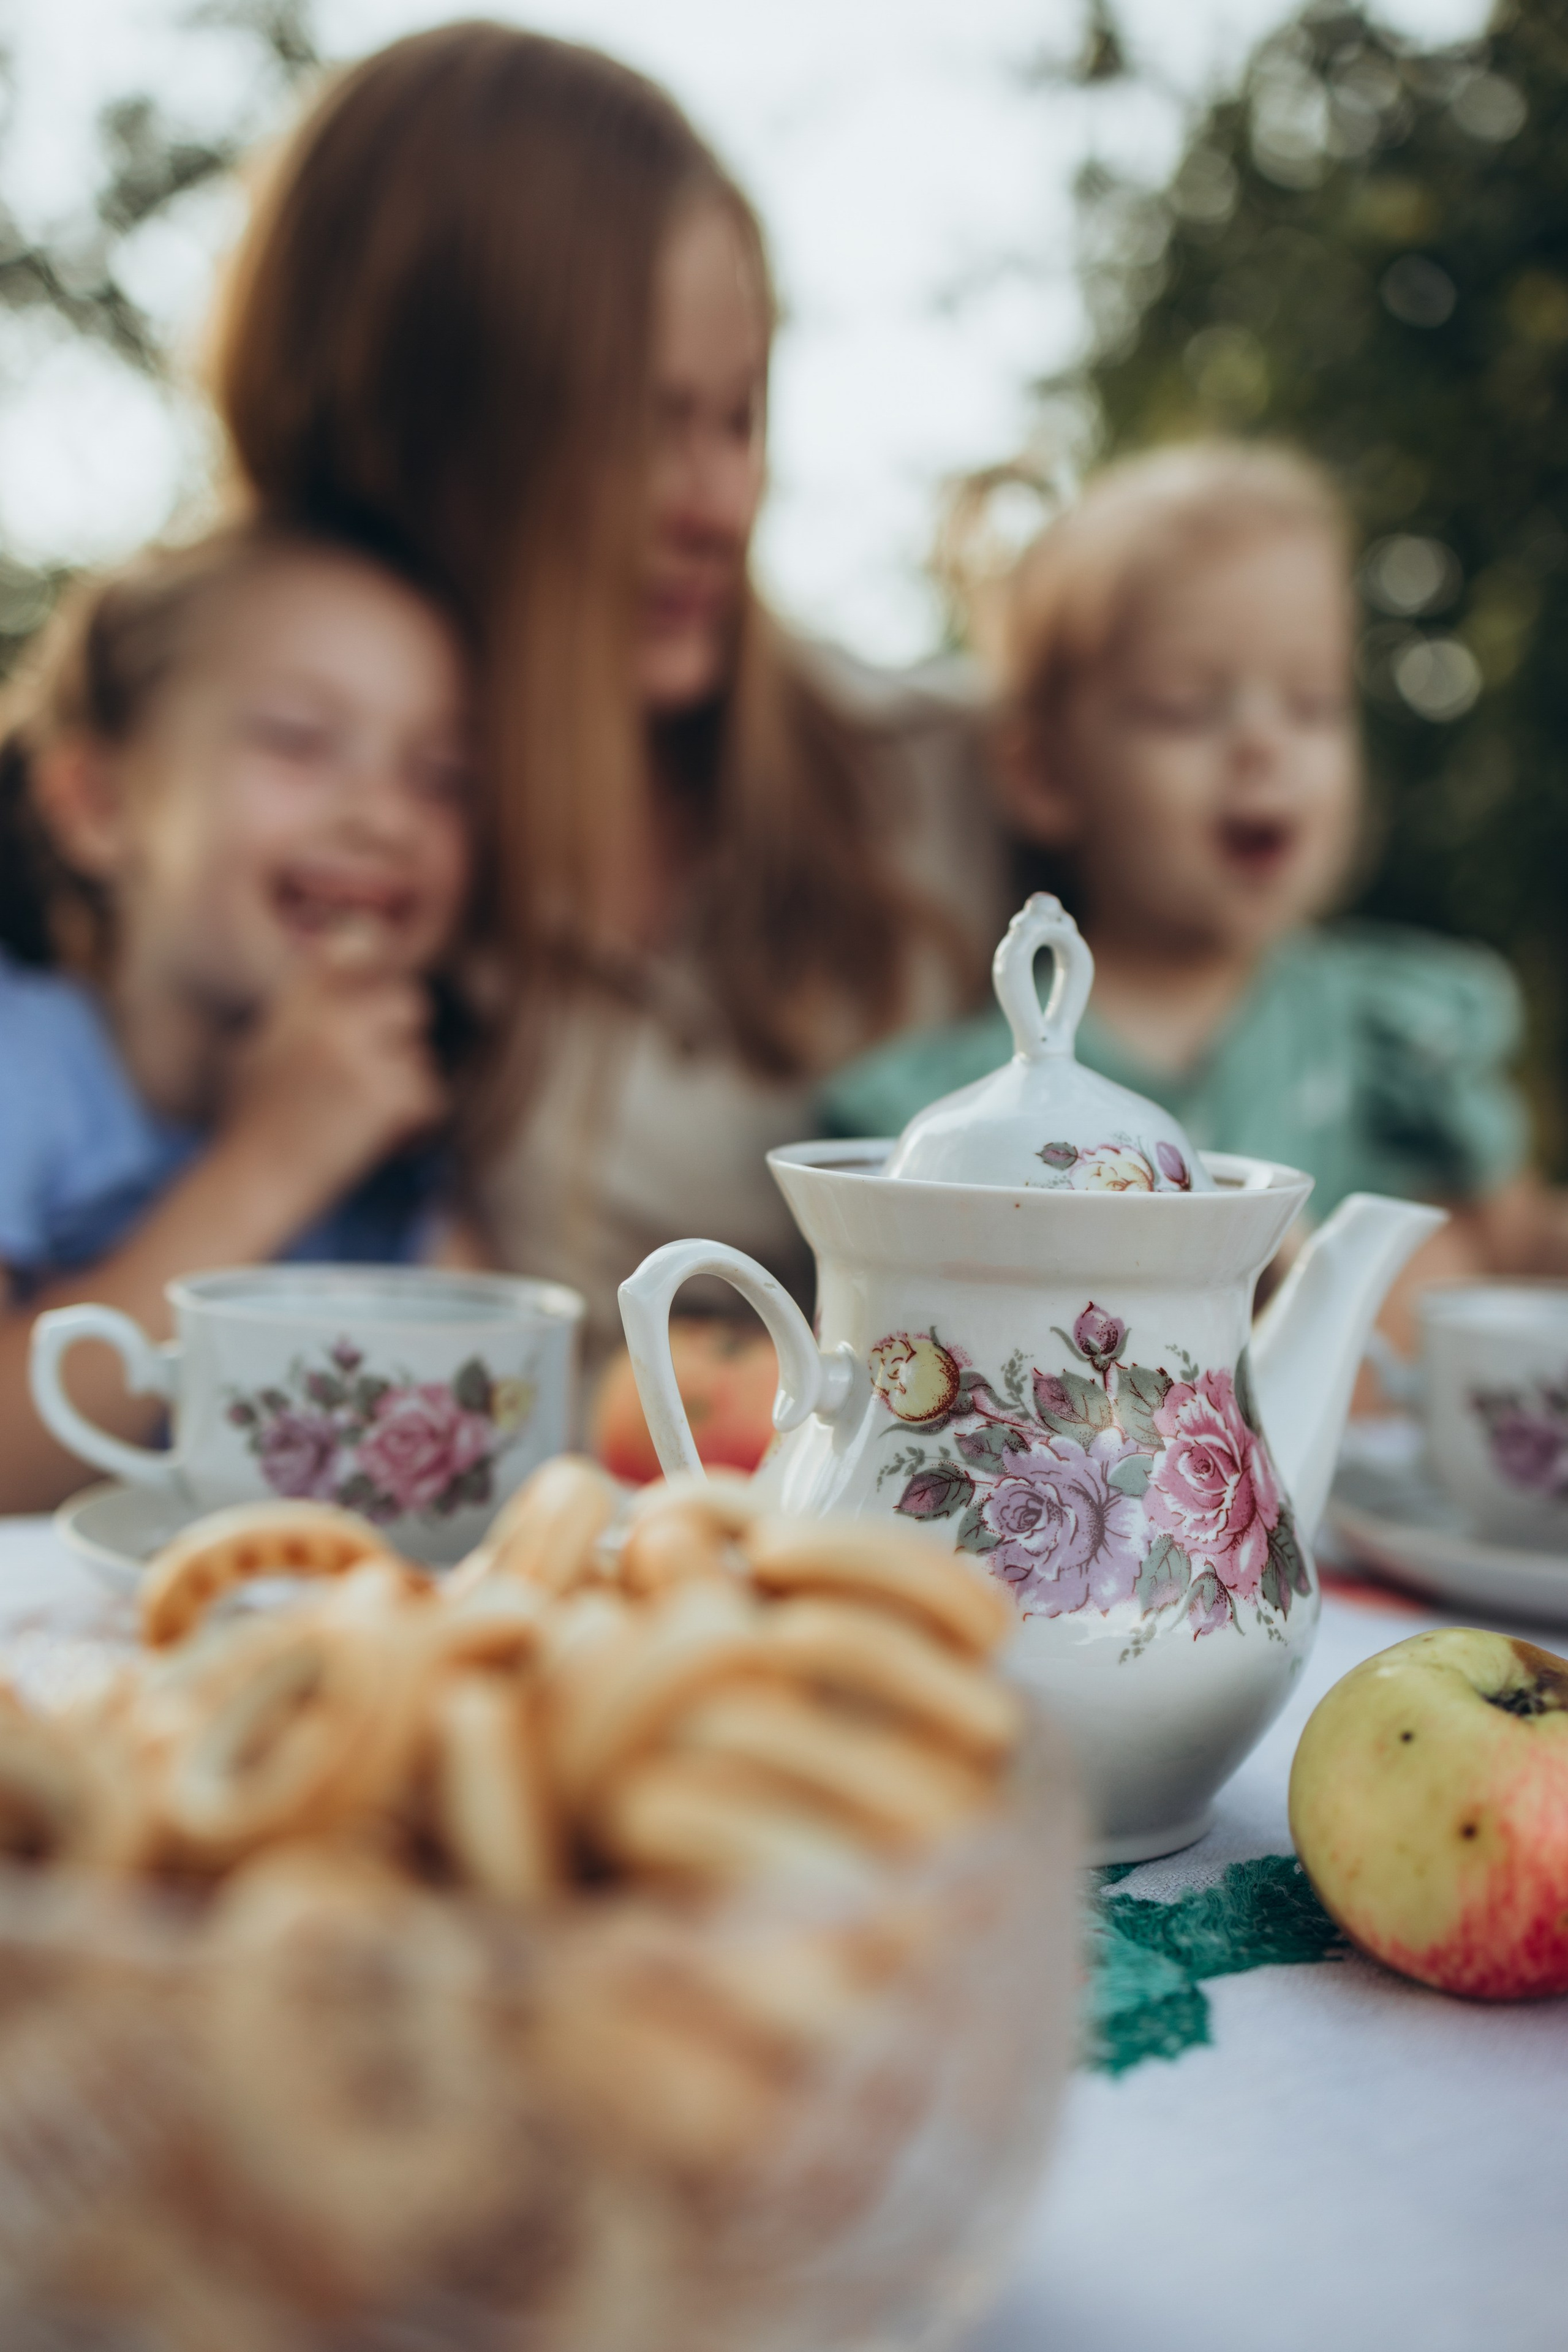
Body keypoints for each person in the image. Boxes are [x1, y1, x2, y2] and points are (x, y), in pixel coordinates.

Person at [208, 22, 1004, 1378]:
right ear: (412, 429)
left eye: (738, 417)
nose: (712, 503)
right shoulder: (236, 821)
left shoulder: (951, 776)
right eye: (634, 423)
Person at [823, 441, 1566, 1324]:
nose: (1264, 744)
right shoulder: (965, 1107)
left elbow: (1524, 1252)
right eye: (1185, 706)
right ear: (1044, 776)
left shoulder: (1394, 1036)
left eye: (1312, 703)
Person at [0, 524, 478, 1510]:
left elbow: (485, 1448)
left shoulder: (406, 1137)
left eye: (442, 778)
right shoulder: (25, 1062)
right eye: (300, 740)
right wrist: (276, 1160)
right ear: (97, 804)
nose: (385, 816)